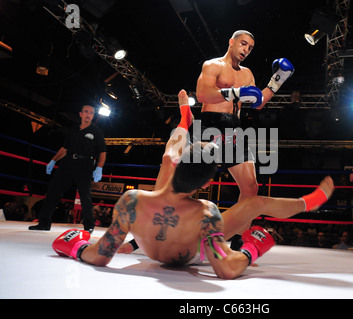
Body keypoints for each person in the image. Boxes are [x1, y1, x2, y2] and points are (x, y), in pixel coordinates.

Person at [52, 90, 334, 280]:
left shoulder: (131, 201)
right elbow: (225, 268)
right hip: (193, 247)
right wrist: (251, 249)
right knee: (256, 203)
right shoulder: (206, 213)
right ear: (206, 182)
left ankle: (186, 120)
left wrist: (75, 247)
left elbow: (99, 256)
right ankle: (310, 202)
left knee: (165, 157)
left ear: (183, 162)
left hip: (152, 242)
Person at [196, 30, 295, 248]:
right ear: (231, 42)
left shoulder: (247, 73)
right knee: (193, 182)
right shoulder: (212, 65)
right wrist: (237, 93)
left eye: (250, 48)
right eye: (243, 44)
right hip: (209, 124)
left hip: (234, 126)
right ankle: (159, 230)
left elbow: (257, 102)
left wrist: (276, 81)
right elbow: (203, 95)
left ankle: (238, 239)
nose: (246, 50)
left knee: (251, 186)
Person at [29, 104, 106, 232]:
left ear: (93, 116)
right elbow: (64, 149)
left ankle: (89, 226)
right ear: (80, 114)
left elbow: (102, 152)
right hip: (67, 162)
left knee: (85, 195)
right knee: (53, 191)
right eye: (86, 112)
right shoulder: (73, 129)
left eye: (91, 113)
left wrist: (99, 167)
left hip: (85, 164)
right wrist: (53, 160)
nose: (88, 114)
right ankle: (44, 223)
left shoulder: (97, 131)